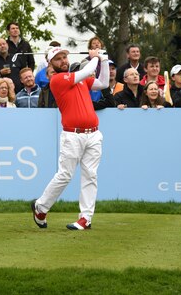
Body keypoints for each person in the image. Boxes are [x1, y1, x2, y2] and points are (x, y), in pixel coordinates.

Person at [31, 47, 109, 231]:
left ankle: (85, 219)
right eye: (58, 59)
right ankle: (40, 207)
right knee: (65, 175)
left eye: (65, 57)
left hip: (94, 134)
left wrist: (103, 61)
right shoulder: (57, 80)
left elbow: (104, 83)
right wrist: (95, 57)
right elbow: (88, 70)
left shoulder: (80, 79)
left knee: (91, 175)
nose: (63, 61)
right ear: (51, 64)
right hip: (72, 135)